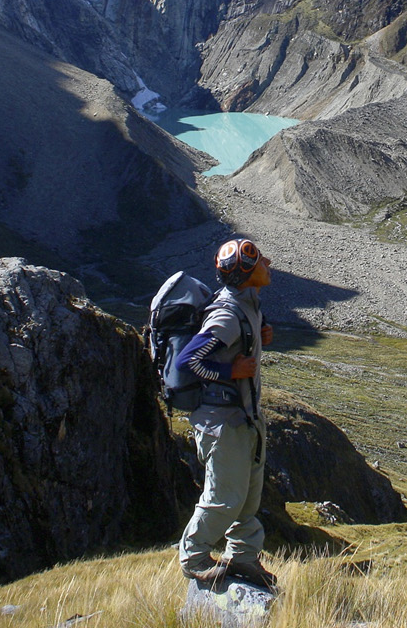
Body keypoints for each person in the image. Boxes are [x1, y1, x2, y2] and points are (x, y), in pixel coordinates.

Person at [177, 238, 276, 589]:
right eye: (259, 259)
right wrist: (229, 373)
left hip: (244, 417)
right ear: (247, 274)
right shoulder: (226, 316)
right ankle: (194, 557)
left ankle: (245, 557)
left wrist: (261, 334)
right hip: (223, 422)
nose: (268, 261)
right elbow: (188, 361)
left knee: (247, 495)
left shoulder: (247, 304)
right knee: (223, 498)